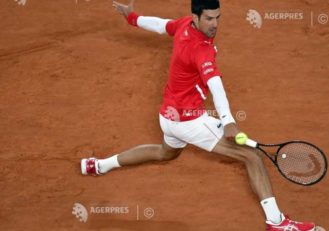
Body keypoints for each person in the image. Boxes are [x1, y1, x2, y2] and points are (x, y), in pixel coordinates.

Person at [80, 0, 316, 230]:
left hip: (167, 117)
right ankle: (277, 223)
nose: (215, 24)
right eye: (209, 18)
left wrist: (132, 17)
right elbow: (216, 86)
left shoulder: (184, 25)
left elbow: (161, 25)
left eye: (218, 17)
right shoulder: (201, 50)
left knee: (165, 153)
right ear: (196, 17)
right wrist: (229, 123)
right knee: (252, 156)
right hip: (189, 121)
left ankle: (99, 165)